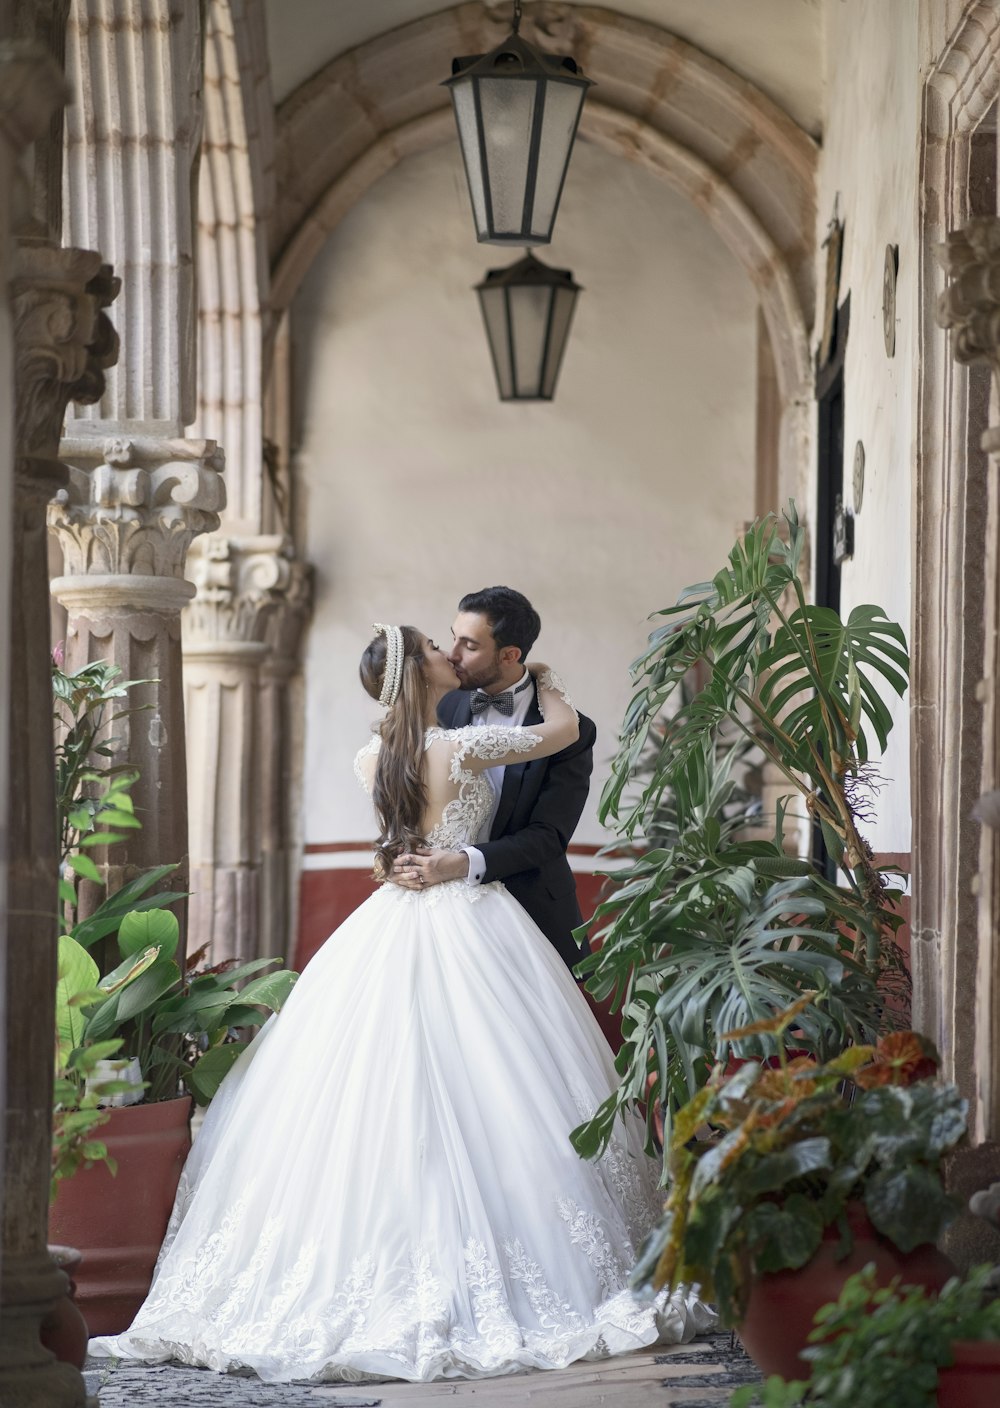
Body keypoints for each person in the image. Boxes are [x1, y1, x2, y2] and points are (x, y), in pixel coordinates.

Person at [90, 624, 710, 1384]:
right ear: (418, 674)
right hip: (472, 918)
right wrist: (544, 679)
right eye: (435, 648)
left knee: (380, 1087)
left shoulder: (370, 756)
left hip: (392, 920)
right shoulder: (462, 748)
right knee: (497, 1081)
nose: (452, 653)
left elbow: (395, 838)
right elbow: (562, 733)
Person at [394, 587, 595, 972]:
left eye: (469, 645)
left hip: (531, 910)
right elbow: (405, 795)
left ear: (509, 655)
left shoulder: (572, 730)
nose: (452, 655)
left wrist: (460, 864)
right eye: (452, 637)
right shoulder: (442, 703)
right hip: (438, 914)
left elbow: (549, 835)